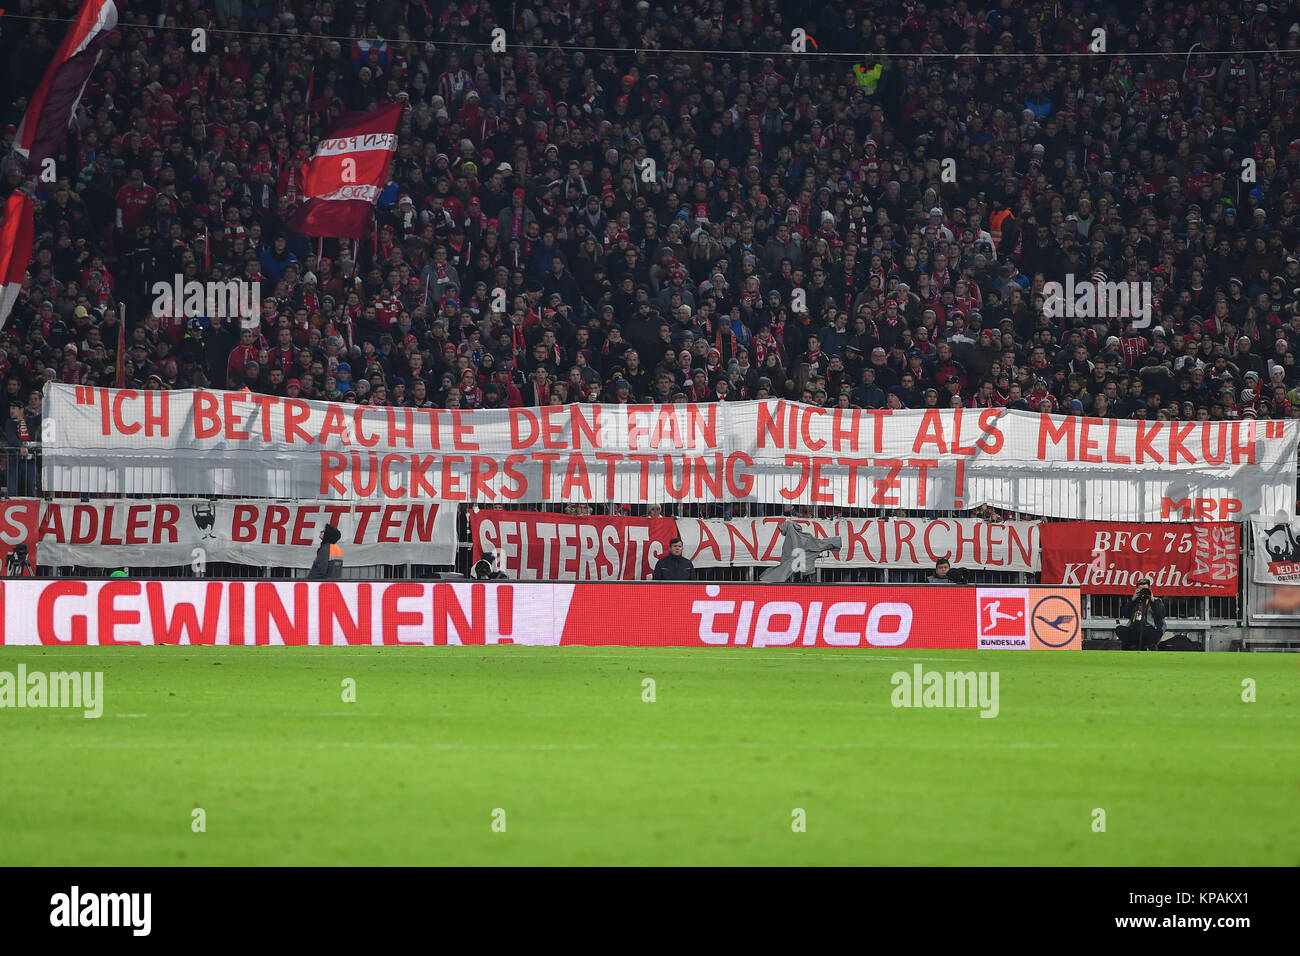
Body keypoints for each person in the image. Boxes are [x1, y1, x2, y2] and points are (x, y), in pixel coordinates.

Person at [1115, 575, 1166, 650]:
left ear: (1150, 589)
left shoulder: (1157, 601)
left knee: (1143, 630)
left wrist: (1152, 600)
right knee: (1120, 629)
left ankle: (1146, 645)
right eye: (1140, 589)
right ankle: (1134, 645)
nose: (1143, 591)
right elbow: (1125, 614)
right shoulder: (1135, 601)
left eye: (1145, 589)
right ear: (1137, 590)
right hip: (1135, 629)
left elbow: (1161, 614)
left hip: (1152, 630)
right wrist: (1133, 600)